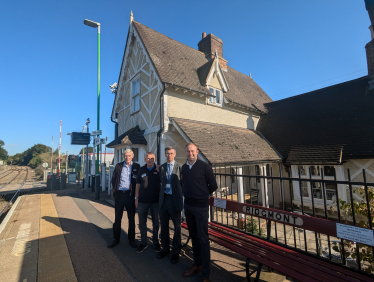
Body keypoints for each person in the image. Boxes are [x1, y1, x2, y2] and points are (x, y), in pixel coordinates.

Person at [181, 143, 217, 282]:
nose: (190, 154)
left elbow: (213, 185)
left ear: (197, 152)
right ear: (185, 152)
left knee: (203, 239)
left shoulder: (205, 167)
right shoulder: (184, 167)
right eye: (188, 151)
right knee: (194, 236)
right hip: (188, 206)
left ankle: (206, 274)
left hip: (201, 207)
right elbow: (183, 184)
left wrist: (202, 195)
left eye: (192, 151)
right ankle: (197, 264)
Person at [108, 149, 139, 249]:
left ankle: (131, 239)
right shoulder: (118, 165)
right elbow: (114, 179)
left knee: (131, 218)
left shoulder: (136, 166)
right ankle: (116, 239)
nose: (127, 157)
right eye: (125, 155)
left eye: (129, 155)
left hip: (130, 196)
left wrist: (136, 197)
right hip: (120, 195)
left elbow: (138, 182)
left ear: (132, 156)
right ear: (123, 156)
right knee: (117, 218)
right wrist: (115, 191)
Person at [157, 146, 183, 264]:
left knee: (177, 227)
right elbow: (160, 183)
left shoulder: (180, 167)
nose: (169, 155)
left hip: (174, 200)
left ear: (175, 154)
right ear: (165, 154)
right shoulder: (162, 167)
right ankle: (165, 248)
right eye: (167, 153)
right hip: (164, 200)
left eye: (171, 153)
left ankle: (176, 251)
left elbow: (183, 184)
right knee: (164, 225)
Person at [135, 152, 161, 253]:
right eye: (148, 158)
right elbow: (137, 184)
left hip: (156, 202)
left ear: (154, 159)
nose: (150, 160)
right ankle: (143, 242)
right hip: (142, 201)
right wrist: (136, 198)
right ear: (145, 159)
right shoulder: (141, 169)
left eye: (152, 158)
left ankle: (155, 242)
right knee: (142, 223)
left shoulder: (159, 169)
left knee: (156, 223)